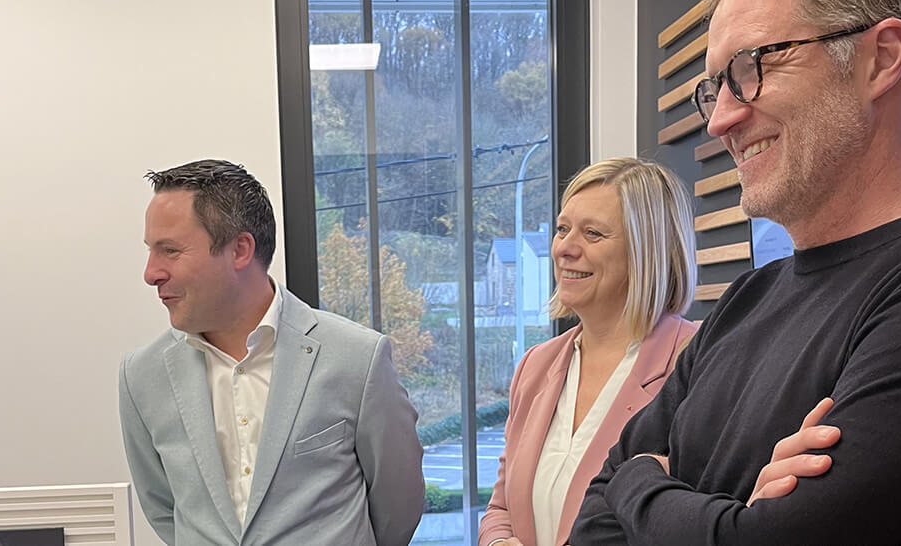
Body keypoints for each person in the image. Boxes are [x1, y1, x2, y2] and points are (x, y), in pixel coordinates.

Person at [569, 0, 901, 544]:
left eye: (752, 66)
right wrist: (723, 513)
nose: (722, 120)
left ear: (882, 59)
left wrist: (640, 485)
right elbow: (592, 527)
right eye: (714, 88)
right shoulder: (746, 300)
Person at [117, 159, 425, 546]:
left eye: (170, 251)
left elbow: (398, 505)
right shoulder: (142, 375)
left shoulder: (357, 359)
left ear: (240, 250)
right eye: (151, 251)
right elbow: (163, 509)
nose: (151, 273)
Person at [479, 158, 699, 546]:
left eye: (593, 234)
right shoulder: (536, 365)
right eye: (563, 229)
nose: (564, 248)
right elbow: (501, 510)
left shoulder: (697, 362)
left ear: (647, 252)